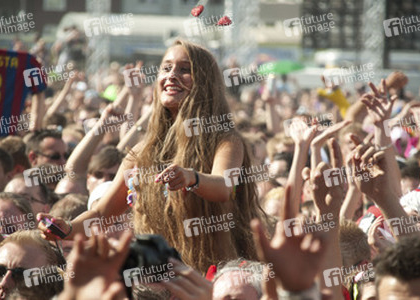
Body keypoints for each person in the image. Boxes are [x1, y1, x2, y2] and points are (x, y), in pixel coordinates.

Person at [39, 40, 266, 273]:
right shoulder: (141, 152)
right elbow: (102, 213)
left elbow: (224, 186)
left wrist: (191, 178)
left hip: (208, 277)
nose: (172, 76)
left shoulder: (225, 140)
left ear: (206, 82)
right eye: (166, 68)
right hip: (153, 279)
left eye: (185, 70)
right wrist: (67, 228)